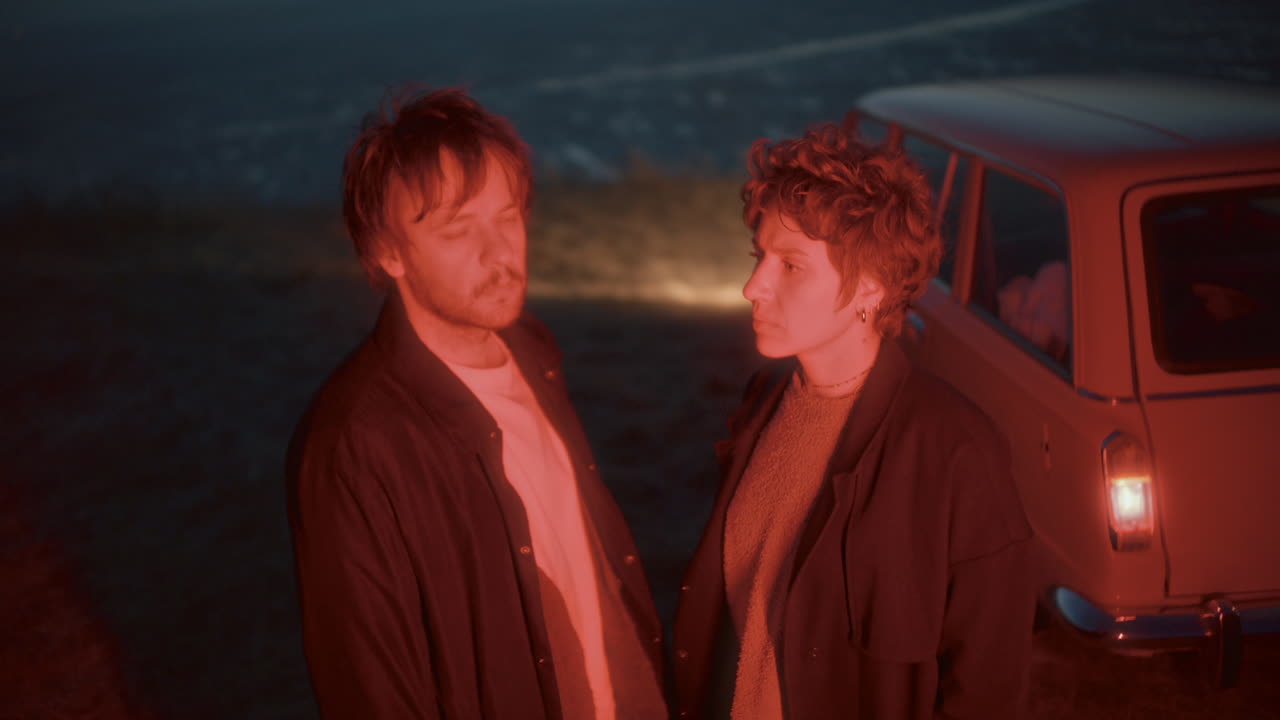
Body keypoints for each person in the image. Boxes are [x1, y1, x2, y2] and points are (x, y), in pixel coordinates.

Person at [286, 87, 667, 719]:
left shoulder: (533, 352)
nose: (499, 252)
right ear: (387, 252)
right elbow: (371, 687)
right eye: (458, 230)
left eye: (507, 216)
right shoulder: (353, 444)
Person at [672, 121, 1035, 719]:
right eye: (760, 257)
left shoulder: (955, 451)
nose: (752, 287)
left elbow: (987, 690)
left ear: (870, 286)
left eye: (791, 266)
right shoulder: (764, 402)